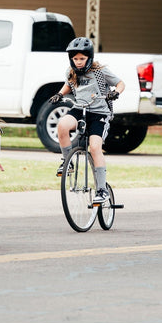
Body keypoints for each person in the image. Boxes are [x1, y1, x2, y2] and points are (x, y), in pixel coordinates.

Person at [48, 37, 125, 206]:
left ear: (89, 57)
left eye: (82, 59)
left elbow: (120, 83)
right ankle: (68, 161)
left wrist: (116, 93)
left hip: (99, 113)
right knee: (62, 125)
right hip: (80, 108)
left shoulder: (100, 71)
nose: (79, 62)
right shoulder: (71, 71)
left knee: (95, 147)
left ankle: (102, 189)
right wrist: (60, 94)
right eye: (75, 59)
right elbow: (69, 84)